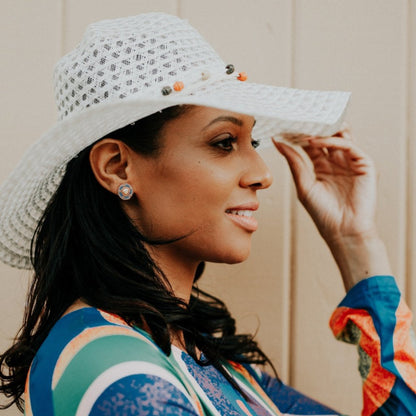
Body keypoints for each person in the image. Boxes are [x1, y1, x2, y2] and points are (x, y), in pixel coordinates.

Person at [0, 12, 415, 416]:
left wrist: (354, 239)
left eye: (252, 141)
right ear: (117, 167)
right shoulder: (117, 374)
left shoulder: (212, 366)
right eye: (223, 142)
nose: (262, 174)